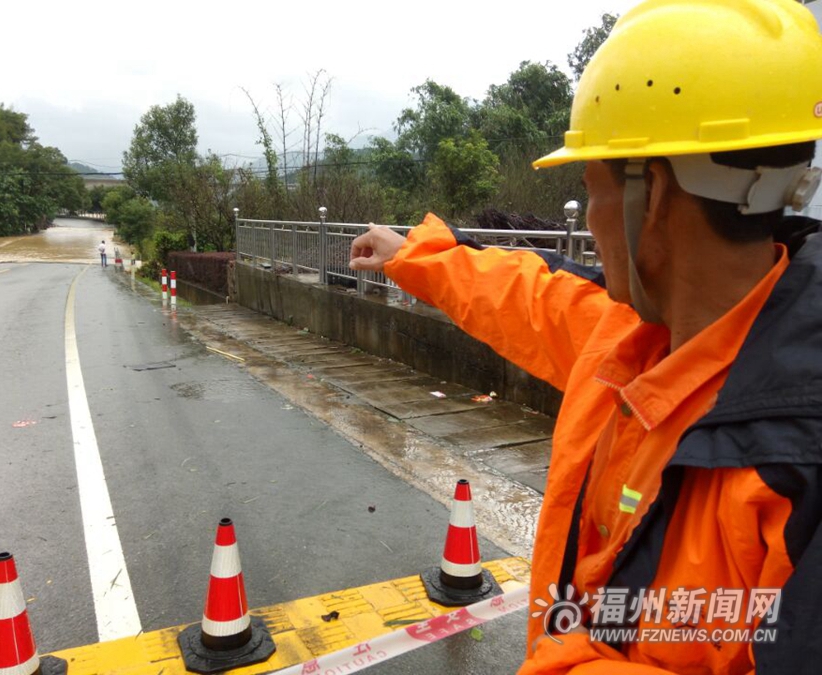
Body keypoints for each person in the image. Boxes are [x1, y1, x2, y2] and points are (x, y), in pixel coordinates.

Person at [349, 1, 822, 673]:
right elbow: (525, 294)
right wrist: (413, 255)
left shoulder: (797, 464)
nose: (589, 220)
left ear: (649, 195)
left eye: (590, 186)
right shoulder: (630, 334)